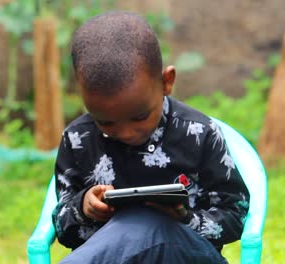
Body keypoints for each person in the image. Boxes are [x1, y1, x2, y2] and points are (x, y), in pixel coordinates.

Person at [52, 11, 250, 263]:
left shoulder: (199, 133)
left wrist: (185, 218)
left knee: (149, 225)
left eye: (139, 117)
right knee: (136, 227)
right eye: (105, 121)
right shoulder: (78, 139)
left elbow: (235, 215)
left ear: (167, 81)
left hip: (184, 254)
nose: (125, 133)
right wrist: (84, 208)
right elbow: (62, 228)